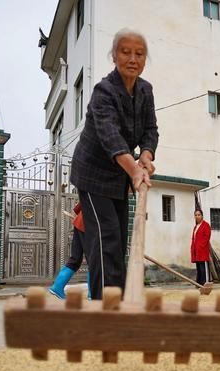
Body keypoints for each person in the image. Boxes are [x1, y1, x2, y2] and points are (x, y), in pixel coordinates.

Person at [70, 28, 158, 300]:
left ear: (145, 59)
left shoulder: (145, 90)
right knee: (105, 241)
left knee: (118, 243)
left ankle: (117, 301)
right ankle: (104, 307)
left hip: (119, 179)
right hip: (93, 176)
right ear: (114, 56)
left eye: (139, 53)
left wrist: (146, 155)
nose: (133, 58)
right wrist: (134, 170)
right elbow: (111, 137)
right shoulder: (103, 91)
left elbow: (150, 130)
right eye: (126, 52)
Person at [48, 203, 90, 299]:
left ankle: (57, 287)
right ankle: (92, 294)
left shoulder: (91, 188)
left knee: (75, 258)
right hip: (89, 226)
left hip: (79, 223)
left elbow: (77, 208)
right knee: (94, 261)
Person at [191, 209, 212, 286]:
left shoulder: (206, 225)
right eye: (195, 215)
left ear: (202, 216)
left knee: (203, 268)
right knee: (199, 268)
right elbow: (194, 239)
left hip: (202, 250)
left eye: (199, 215)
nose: (197, 216)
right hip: (197, 251)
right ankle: (199, 284)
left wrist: (200, 247)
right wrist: (193, 249)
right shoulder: (195, 227)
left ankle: (205, 284)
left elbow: (207, 238)